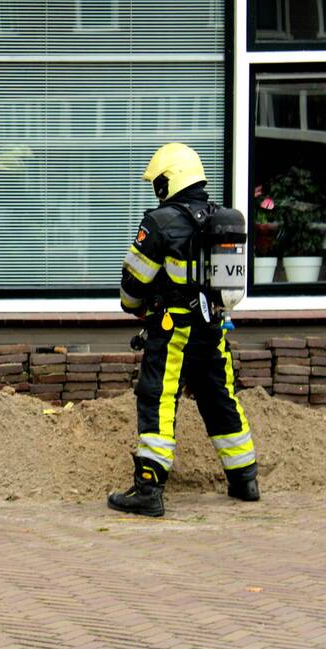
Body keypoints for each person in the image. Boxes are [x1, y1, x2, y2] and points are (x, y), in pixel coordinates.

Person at [108, 143, 260, 517]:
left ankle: (148, 489)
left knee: (157, 396)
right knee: (219, 396)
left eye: (157, 182)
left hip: (172, 329)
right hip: (212, 328)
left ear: (169, 180)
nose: (156, 189)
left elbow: (134, 282)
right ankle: (245, 480)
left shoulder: (159, 222)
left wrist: (133, 307)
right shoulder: (220, 219)